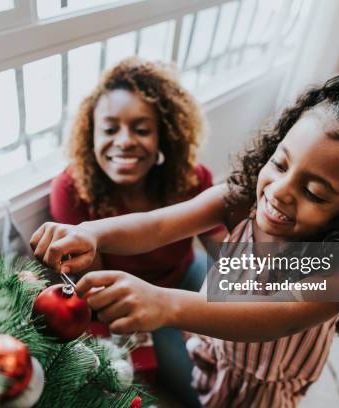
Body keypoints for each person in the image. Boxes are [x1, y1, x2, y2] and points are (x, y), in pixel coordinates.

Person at [31, 75, 339, 407]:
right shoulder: (237, 202)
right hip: (213, 346)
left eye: (315, 192)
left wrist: (166, 302)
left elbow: (265, 317)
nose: (280, 191)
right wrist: (93, 233)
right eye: (281, 163)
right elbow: (156, 226)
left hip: (263, 381)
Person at [45, 57, 226, 406]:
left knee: (241, 346)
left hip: (187, 274)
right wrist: (179, 321)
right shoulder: (71, 190)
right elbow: (95, 293)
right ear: (91, 134)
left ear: (164, 135)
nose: (125, 141)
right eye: (110, 129)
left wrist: (206, 312)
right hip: (130, 298)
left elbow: (227, 254)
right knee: (206, 389)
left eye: (141, 129)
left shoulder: (191, 178)